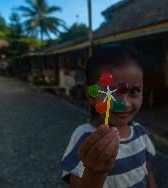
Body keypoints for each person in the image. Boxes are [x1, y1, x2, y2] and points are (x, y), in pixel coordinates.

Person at [60, 44, 157, 188]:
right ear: (91, 96)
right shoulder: (85, 139)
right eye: (113, 91)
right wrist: (94, 171)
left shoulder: (140, 133)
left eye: (134, 91)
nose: (125, 104)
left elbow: (147, 170)